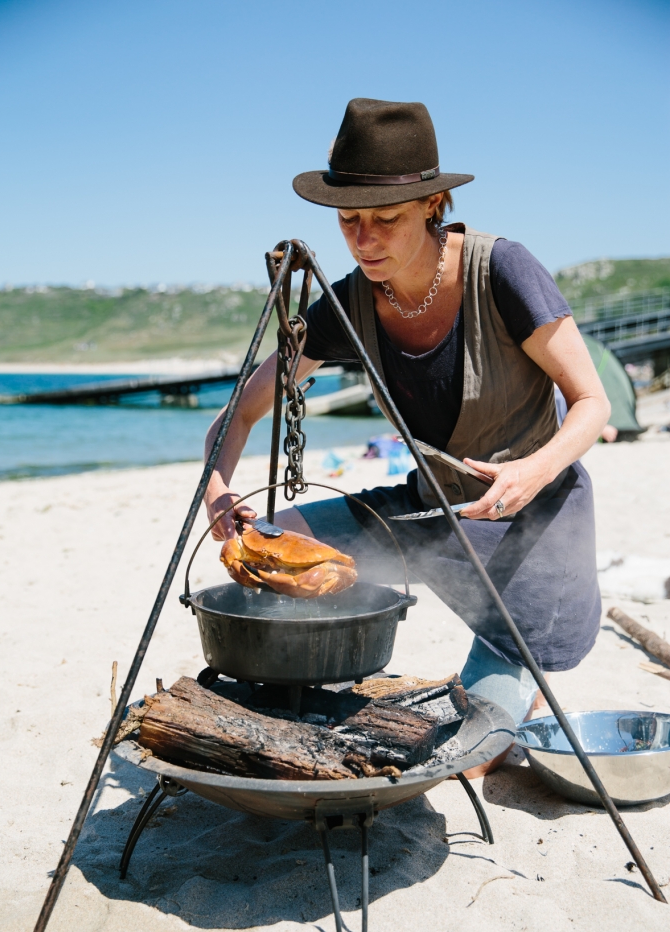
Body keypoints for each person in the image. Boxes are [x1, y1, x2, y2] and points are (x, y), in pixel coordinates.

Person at [203, 98, 609, 770]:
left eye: (384, 219)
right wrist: (217, 490)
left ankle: (508, 689)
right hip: (428, 512)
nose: (364, 239)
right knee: (272, 542)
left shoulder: (501, 271)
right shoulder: (348, 303)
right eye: (347, 220)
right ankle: (297, 690)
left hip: (526, 528)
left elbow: (591, 402)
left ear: (431, 205)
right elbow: (242, 412)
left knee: (470, 753)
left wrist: (531, 470)